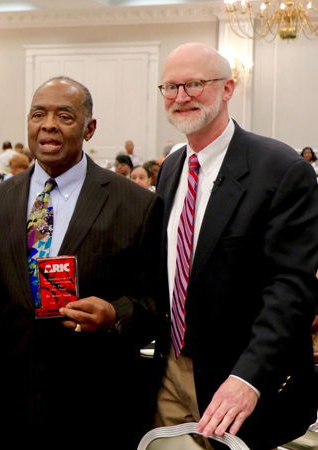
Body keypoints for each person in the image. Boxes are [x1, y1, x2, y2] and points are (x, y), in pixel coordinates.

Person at [0, 76, 161, 449]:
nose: (47, 124)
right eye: (38, 114)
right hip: (6, 407)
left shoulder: (136, 205)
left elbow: (156, 303)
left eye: (64, 116)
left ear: (89, 128)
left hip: (96, 409)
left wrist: (115, 315)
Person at [154, 42, 318, 450]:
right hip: (171, 373)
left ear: (228, 88)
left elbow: (291, 290)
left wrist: (248, 379)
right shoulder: (172, 167)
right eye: (170, 87)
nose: (181, 97)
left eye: (194, 84)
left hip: (241, 383)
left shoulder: (281, 170)